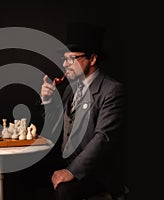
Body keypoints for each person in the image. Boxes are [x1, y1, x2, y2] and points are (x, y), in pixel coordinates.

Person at [40, 22, 127, 199]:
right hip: (67, 160)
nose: (65, 64)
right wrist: (48, 101)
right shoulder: (69, 89)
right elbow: (53, 129)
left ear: (93, 59)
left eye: (72, 59)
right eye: (64, 59)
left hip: (96, 172)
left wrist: (71, 172)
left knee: (64, 191)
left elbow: (102, 139)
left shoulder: (112, 90)